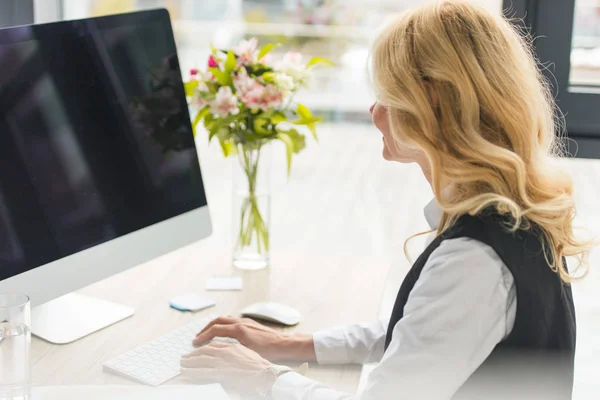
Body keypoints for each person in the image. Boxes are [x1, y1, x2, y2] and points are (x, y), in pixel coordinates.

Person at [179, 1, 594, 398]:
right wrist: (295, 344)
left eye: (387, 94)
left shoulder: (472, 261)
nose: (376, 111)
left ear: (431, 103)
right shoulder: (512, 213)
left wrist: (262, 378)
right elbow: (427, 333)